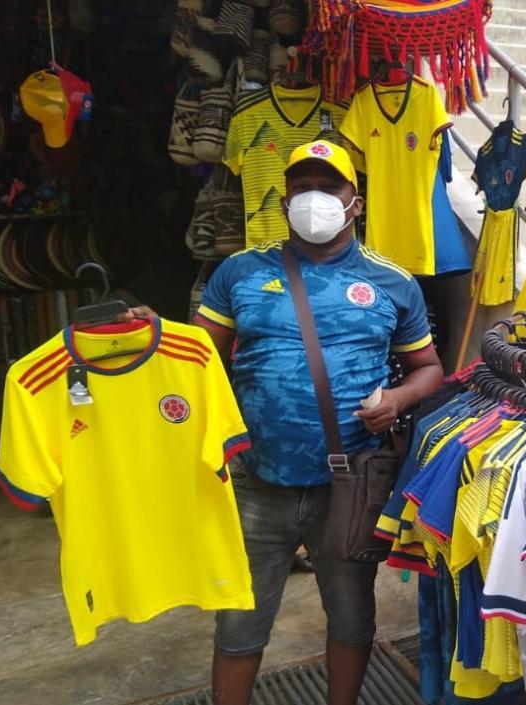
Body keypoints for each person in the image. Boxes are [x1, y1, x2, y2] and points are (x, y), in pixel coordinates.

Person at [133, 139, 444, 704]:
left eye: (330, 188)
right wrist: (155, 336)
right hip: (256, 482)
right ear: (283, 201)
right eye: (303, 189)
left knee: (352, 619)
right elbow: (199, 358)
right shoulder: (240, 272)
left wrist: (397, 400)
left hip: (350, 487)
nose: (315, 199)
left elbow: (428, 369)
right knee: (238, 626)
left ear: (357, 202)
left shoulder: (392, 282)